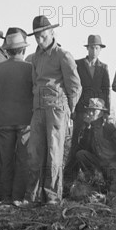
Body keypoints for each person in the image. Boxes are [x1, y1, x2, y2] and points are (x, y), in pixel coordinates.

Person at [23, 15, 82, 206]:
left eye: (43, 36)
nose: (40, 40)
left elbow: (75, 86)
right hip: (38, 109)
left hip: (57, 109)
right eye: (37, 37)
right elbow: (34, 81)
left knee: (54, 152)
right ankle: (32, 197)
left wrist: (69, 112)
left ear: (52, 33)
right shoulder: (35, 57)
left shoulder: (63, 56)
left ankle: (53, 198)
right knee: (34, 152)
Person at [0, 31, 33, 203]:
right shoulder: (30, 68)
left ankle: (4, 197)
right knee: (23, 161)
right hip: (25, 121)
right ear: (23, 49)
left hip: (3, 120)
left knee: (5, 160)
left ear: (7, 50)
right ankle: (18, 197)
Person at [67, 34, 111, 172]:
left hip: (97, 112)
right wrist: (72, 108)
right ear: (87, 49)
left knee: (95, 140)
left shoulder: (103, 67)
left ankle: (94, 171)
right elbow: (72, 86)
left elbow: (106, 90)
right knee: (77, 140)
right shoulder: (77, 64)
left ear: (100, 49)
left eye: (97, 48)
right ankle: (70, 172)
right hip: (81, 109)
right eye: (91, 48)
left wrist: (106, 112)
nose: (94, 51)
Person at [71, 98, 116, 187]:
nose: (90, 113)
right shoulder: (89, 128)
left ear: (101, 113)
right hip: (99, 164)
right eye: (89, 110)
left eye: (94, 111)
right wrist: (86, 129)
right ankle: (92, 179)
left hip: (113, 164)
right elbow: (83, 147)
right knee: (81, 154)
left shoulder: (109, 126)